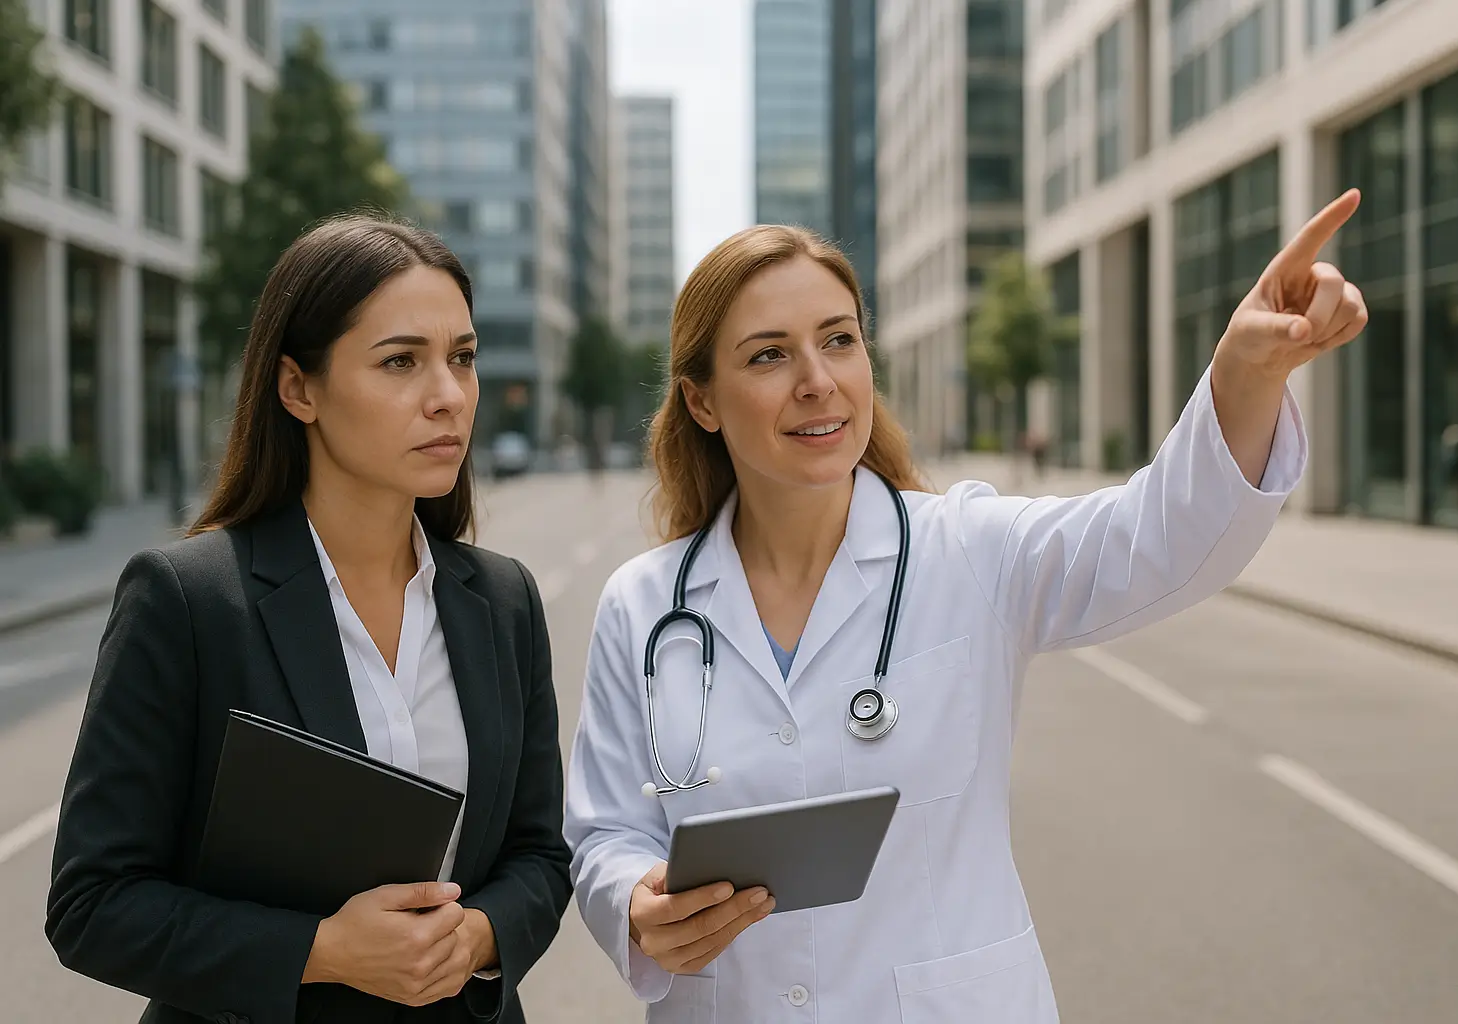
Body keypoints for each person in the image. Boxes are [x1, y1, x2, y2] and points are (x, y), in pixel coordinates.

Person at [562, 192, 1368, 1022]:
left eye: (838, 340)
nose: (817, 382)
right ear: (702, 402)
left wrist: (1245, 373)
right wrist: (636, 902)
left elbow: (1160, 539)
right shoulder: (645, 606)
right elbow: (606, 832)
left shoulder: (967, 549)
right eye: (769, 355)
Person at [44, 215, 572, 1024]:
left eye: (462, 358)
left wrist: (477, 937)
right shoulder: (188, 600)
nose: (449, 395)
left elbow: (538, 855)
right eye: (401, 361)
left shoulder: (504, 601)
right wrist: (322, 951)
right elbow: (93, 902)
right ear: (299, 389)